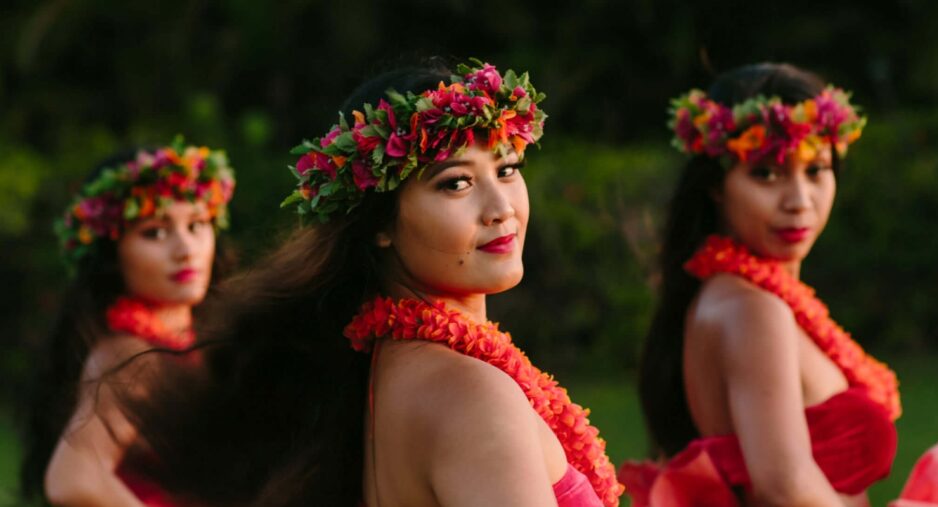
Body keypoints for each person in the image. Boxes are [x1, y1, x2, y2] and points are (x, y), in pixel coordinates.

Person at [115, 60, 624, 507]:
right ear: (379, 224)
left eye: (508, 168)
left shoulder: (389, 365)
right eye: (456, 183)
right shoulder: (467, 392)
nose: (501, 209)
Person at [621, 63, 938, 507]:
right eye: (766, 174)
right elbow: (784, 486)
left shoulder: (737, 296)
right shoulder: (753, 309)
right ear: (717, 187)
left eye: (816, 170)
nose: (799, 201)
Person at [20, 139, 236, 506]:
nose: (186, 249)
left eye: (198, 224)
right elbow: (73, 478)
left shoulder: (184, 342)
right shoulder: (135, 355)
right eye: (155, 231)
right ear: (111, 254)